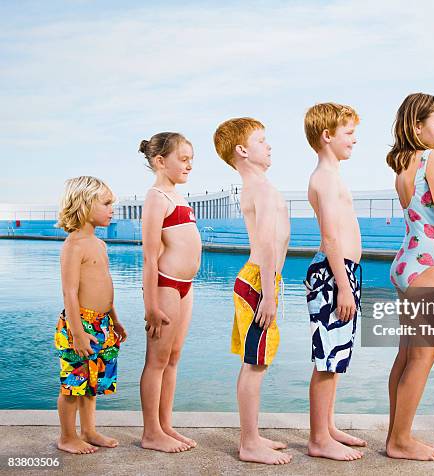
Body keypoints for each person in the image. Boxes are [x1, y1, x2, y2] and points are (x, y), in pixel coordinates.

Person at [385, 93, 434, 461]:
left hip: (405, 262)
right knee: (423, 356)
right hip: (429, 263)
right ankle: (401, 441)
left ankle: (394, 435)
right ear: (418, 126)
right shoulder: (431, 159)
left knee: (406, 355)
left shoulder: (403, 164)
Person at [213, 118, 292, 465]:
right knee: (254, 363)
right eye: (262, 140)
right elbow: (266, 242)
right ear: (242, 151)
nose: (269, 145)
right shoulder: (261, 189)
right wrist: (270, 295)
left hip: (263, 280)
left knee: (257, 360)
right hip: (260, 282)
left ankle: (254, 435)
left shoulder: (260, 186)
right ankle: (248, 443)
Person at [303, 102, 366, 461]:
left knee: (338, 356)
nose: (354, 140)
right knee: (327, 358)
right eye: (349, 133)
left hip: (342, 271)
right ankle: (317, 439)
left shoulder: (334, 175)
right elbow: (329, 237)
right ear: (327, 136)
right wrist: (342, 285)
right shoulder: (324, 178)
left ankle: (327, 426)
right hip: (332, 273)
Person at [55, 176, 127, 454]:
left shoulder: (99, 244)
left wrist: (115, 319)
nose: (112, 209)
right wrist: (77, 332)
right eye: (107, 203)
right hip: (80, 324)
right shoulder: (74, 245)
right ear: (84, 205)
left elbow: (104, 285)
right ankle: (67, 436)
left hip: (103, 323)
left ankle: (88, 430)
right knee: (73, 384)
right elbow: (69, 293)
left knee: (92, 383)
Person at [139, 132, 201, 453]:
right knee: (157, 359)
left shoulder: (178, 196)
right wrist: (150, 304)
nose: (190, 165)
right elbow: (149, 256)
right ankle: (151, 432)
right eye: (184, 159)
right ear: (161, 161)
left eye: (192, 159)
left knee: (173, 358)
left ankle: (165, 425)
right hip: (165, 285)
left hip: (185, 287)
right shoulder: (156, 198)